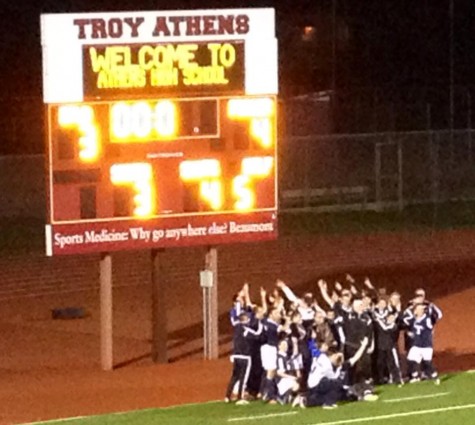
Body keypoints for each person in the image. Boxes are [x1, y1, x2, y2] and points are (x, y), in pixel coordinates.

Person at [225, 312, 262, 405]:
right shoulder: (246, 329)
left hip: (236, 355)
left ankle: (227, 396)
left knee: (234, 376)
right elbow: (257, 335)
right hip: (245, 356)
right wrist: (260, 323)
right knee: (243, 377)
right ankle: (240, 397)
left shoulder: (236, 328)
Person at [403, 303, 441, 384]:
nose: (420, 311)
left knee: (427, 362)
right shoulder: (414, 319)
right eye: (418, 309)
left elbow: (429, 326)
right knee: (411, 359)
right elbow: (406, 322)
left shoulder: (426, 319)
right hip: (417, 344)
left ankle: (435, 376)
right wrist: (411, 333)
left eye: (421, 309)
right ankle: (415, 375)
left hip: (425, 344)